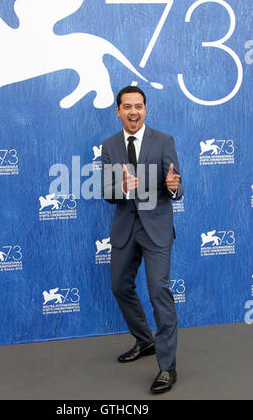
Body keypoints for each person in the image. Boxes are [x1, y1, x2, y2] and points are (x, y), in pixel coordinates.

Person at [102, 85, 183, 394]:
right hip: (125, 227)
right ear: (119, 111)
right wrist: (122, 187)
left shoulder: (163, 141)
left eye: (139, 106)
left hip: (156, 229)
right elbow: (107, 193)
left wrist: (174, 186)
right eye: (127, 107)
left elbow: (176, 186)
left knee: (158, 290)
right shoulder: (109, 146)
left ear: (145, 109)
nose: (133, 112)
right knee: (119, 286)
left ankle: (167, 367)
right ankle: (144, 340)